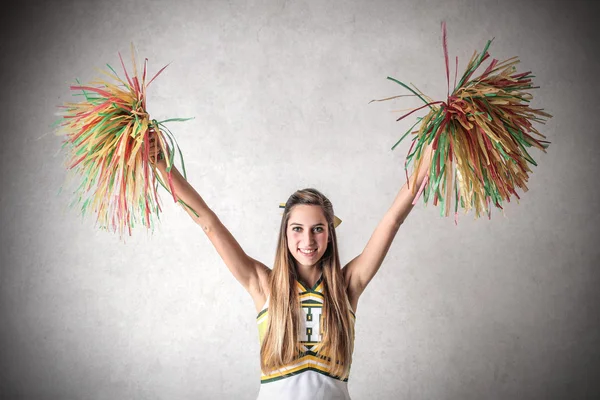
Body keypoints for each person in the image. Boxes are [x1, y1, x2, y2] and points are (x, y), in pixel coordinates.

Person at [148, 131, 432, 400]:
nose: (307, 239)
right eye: (297, 228)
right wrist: (161, 162)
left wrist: (434, 151)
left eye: (318, 229)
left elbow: (393, 219)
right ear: (284, 233)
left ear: (330, 234)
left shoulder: (347, 286)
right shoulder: (263, 284)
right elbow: (208, 223)